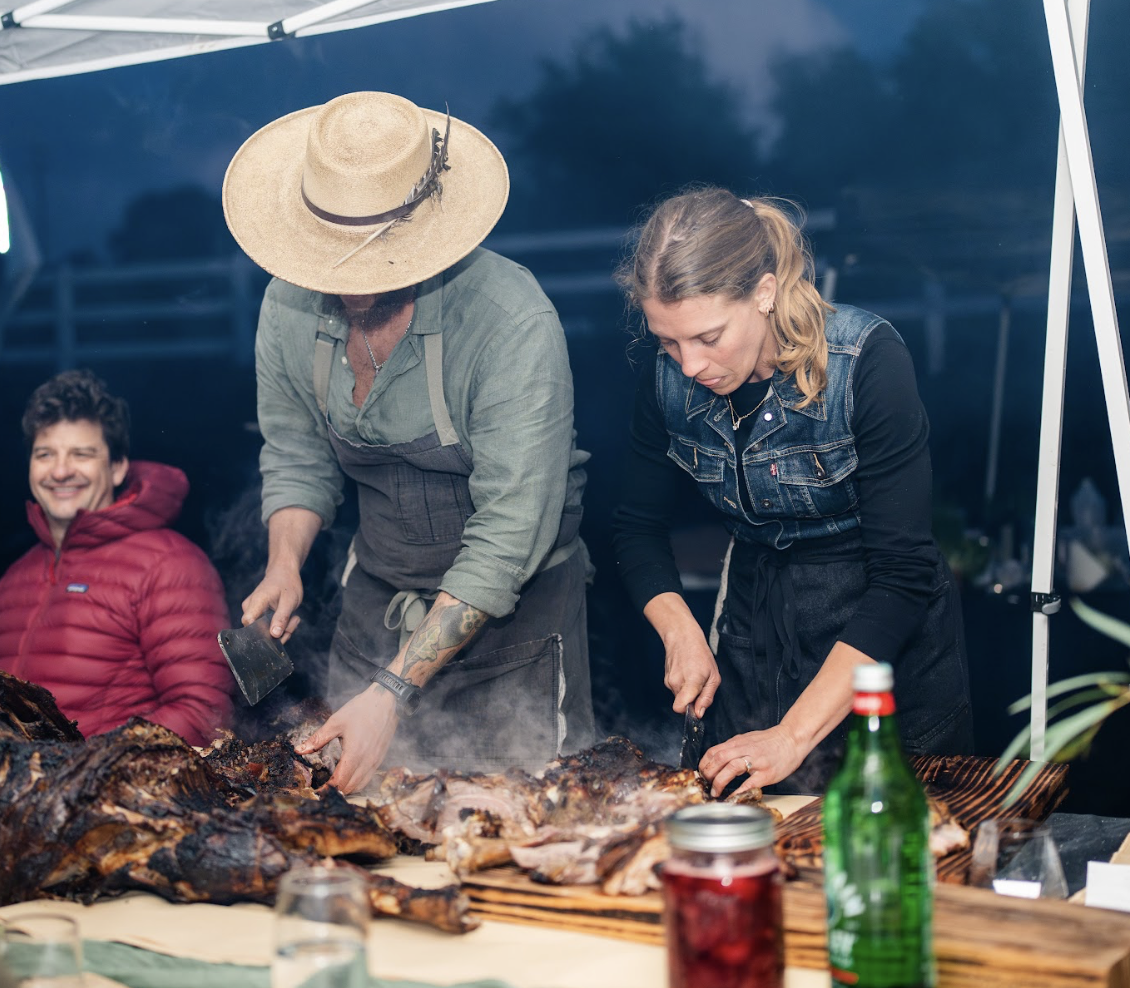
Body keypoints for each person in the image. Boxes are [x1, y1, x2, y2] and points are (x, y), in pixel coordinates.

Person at [221, 91, 595, 793]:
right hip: (378, 598)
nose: (350, 287)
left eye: (371, 263)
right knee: (353, 817)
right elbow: (298, 453)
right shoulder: (287, 305)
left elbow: (509, 534)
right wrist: (285, 563)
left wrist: (393, 693)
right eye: (333, 261)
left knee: (515, 823)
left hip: (510, 621)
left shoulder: (510, 323)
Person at [612, 187, 973, 796]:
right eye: (668, 343)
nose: (689, 365)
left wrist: (793, 735)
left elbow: (902, 575)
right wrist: (681, 630)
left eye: (708, 337)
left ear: (765, 291)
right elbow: (635, 526)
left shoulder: (867, 362)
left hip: (880, 638)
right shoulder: (666, 381)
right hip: (756, 632)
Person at [0, 369, 235, 746]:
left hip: (105, 797)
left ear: (117, 467)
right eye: (45, 454)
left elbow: (202, 712)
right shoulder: (16, 575)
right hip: (22, 798)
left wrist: (75, 772)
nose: (60, 471)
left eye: (82, 454)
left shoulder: (170, 563)